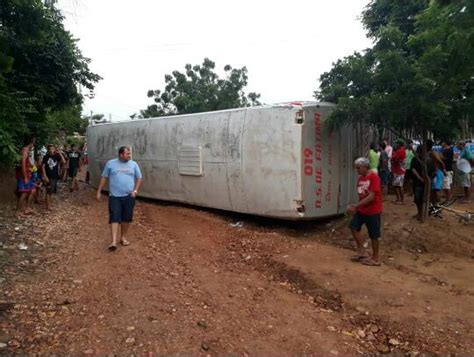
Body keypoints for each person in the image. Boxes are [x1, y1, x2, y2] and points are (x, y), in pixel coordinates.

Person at [96, 146, 143, 251]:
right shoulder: (111, 164)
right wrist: (99, 191)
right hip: (115, 197)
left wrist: (135, 191)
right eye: (127, 154)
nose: (129, 155)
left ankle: (123, 237)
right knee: (114, 217)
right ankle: (113, 242)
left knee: (126, 218)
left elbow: (139, 177)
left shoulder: (133, 164)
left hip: (129, 196)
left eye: (129, 153)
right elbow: (104, 177)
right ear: (121, 154)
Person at [348, 157, 383, 267]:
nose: (357, 170)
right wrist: (357, 207)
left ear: (365, 167)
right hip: (362, 210)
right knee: (353, 226)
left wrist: (356, 205)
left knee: (374, 235)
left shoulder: (374, 177)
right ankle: (362, 251)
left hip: (373, 210)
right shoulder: (360, 179)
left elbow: (372, 196)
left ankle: (376, 258)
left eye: (358, 168)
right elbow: (362, 195)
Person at [15, 137, 36, 216]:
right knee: (24, 193)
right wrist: (25, 177)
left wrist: (31, 166)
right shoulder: (24, 151)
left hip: (28, 174)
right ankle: (17, 211)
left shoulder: (27, 151)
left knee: (32, 190)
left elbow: (27, 164)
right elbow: (23, 165)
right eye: (33, 142)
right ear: (31, 143)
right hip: (24, 175)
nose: (34, 144)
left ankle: (27, 208)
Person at [41, 144, 66, 210]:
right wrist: (45, 176)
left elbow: (64, 161)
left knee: (51, 191)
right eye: (50, 149)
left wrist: (60, 153)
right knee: (48, 190)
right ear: (48, 150)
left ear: (55, 149)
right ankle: (48, 206)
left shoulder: (56, 157)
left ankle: (48, 204)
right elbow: (43, 167)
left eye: (53, 149)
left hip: (55, 176)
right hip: (48, 176)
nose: (51, 150)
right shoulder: (46, 157)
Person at [410, 146, 426, 221]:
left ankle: (421, 213)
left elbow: (413, 170)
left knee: (419, 199)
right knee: (419, 199)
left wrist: (420, 178)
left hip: (419, 182)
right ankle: (420, 213)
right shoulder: (418, 159)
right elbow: (413, 170)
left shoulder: (419, 159)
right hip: (420, 181)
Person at [391, 139, 406, 204]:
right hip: (397, 169)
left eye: (397, 144)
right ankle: (398, 199)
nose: (396, 145)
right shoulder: (399, 150)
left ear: (399, 144)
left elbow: (395, 158)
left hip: (399, 170)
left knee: (399, 185)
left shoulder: (401, 150)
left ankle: (401, 200)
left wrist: (393, 159)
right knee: (396, 185)